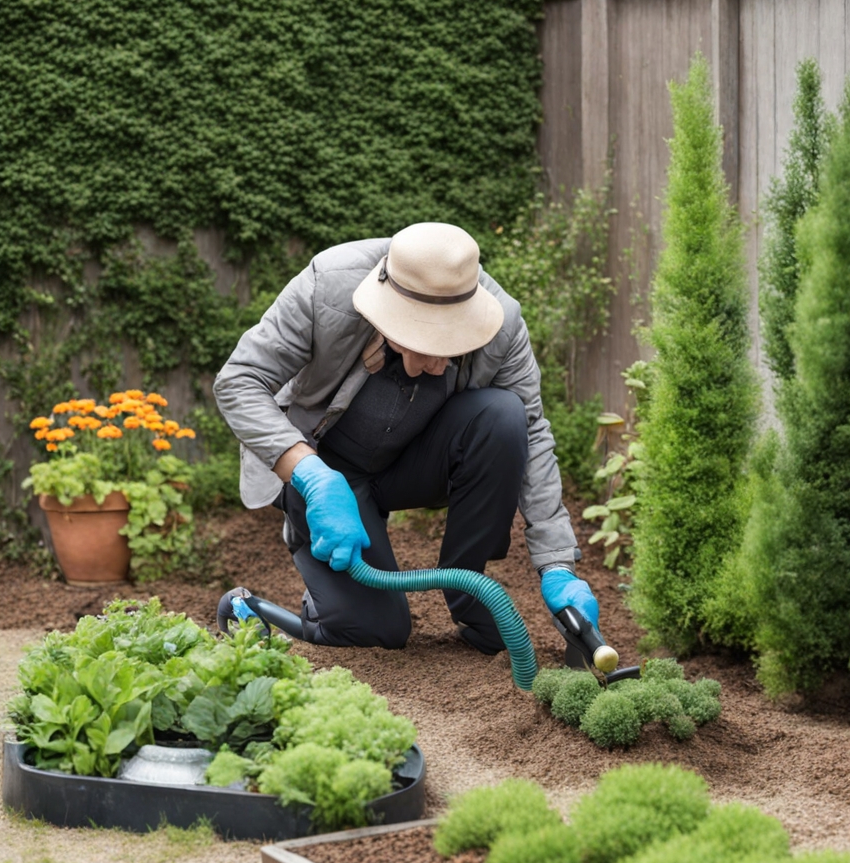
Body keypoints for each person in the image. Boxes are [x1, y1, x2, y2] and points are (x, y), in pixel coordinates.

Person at [213, 221, 602, 655]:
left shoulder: (502, 323)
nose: (440, 365)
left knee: (504, 416)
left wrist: (557, 565)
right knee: (377, 631)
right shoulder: (329, 286)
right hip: (327, 471)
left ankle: (469, 594)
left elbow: (532, 433)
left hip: (411, 461)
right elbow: (239, 380)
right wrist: (308, 475)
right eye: (426, 343)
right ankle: (260, 602)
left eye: (452, 346)